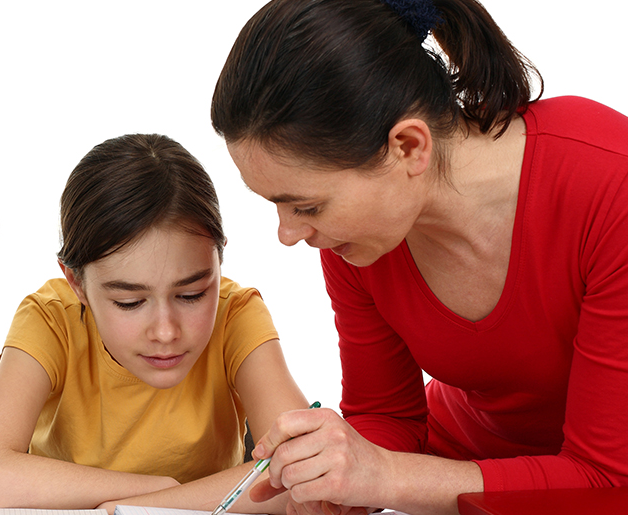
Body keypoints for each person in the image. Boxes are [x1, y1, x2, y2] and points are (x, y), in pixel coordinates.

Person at [210, 0, 628, 513]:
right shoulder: (362, 240)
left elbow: (606, 480)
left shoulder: (610, 187)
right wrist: (335, 475)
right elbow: (387, 416)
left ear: (408, 146)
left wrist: (380, 476)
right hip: (455, 470)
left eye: (307, 205)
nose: (289, 233)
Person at [0, 134, 309, 513]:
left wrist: (150, 505)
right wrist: (158, 491)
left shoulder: (236, 314)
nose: (165, 331)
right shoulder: (52, 319)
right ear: (78, 284)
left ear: (219, 263)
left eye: (191, 295)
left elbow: (304, 472)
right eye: (130, 302)